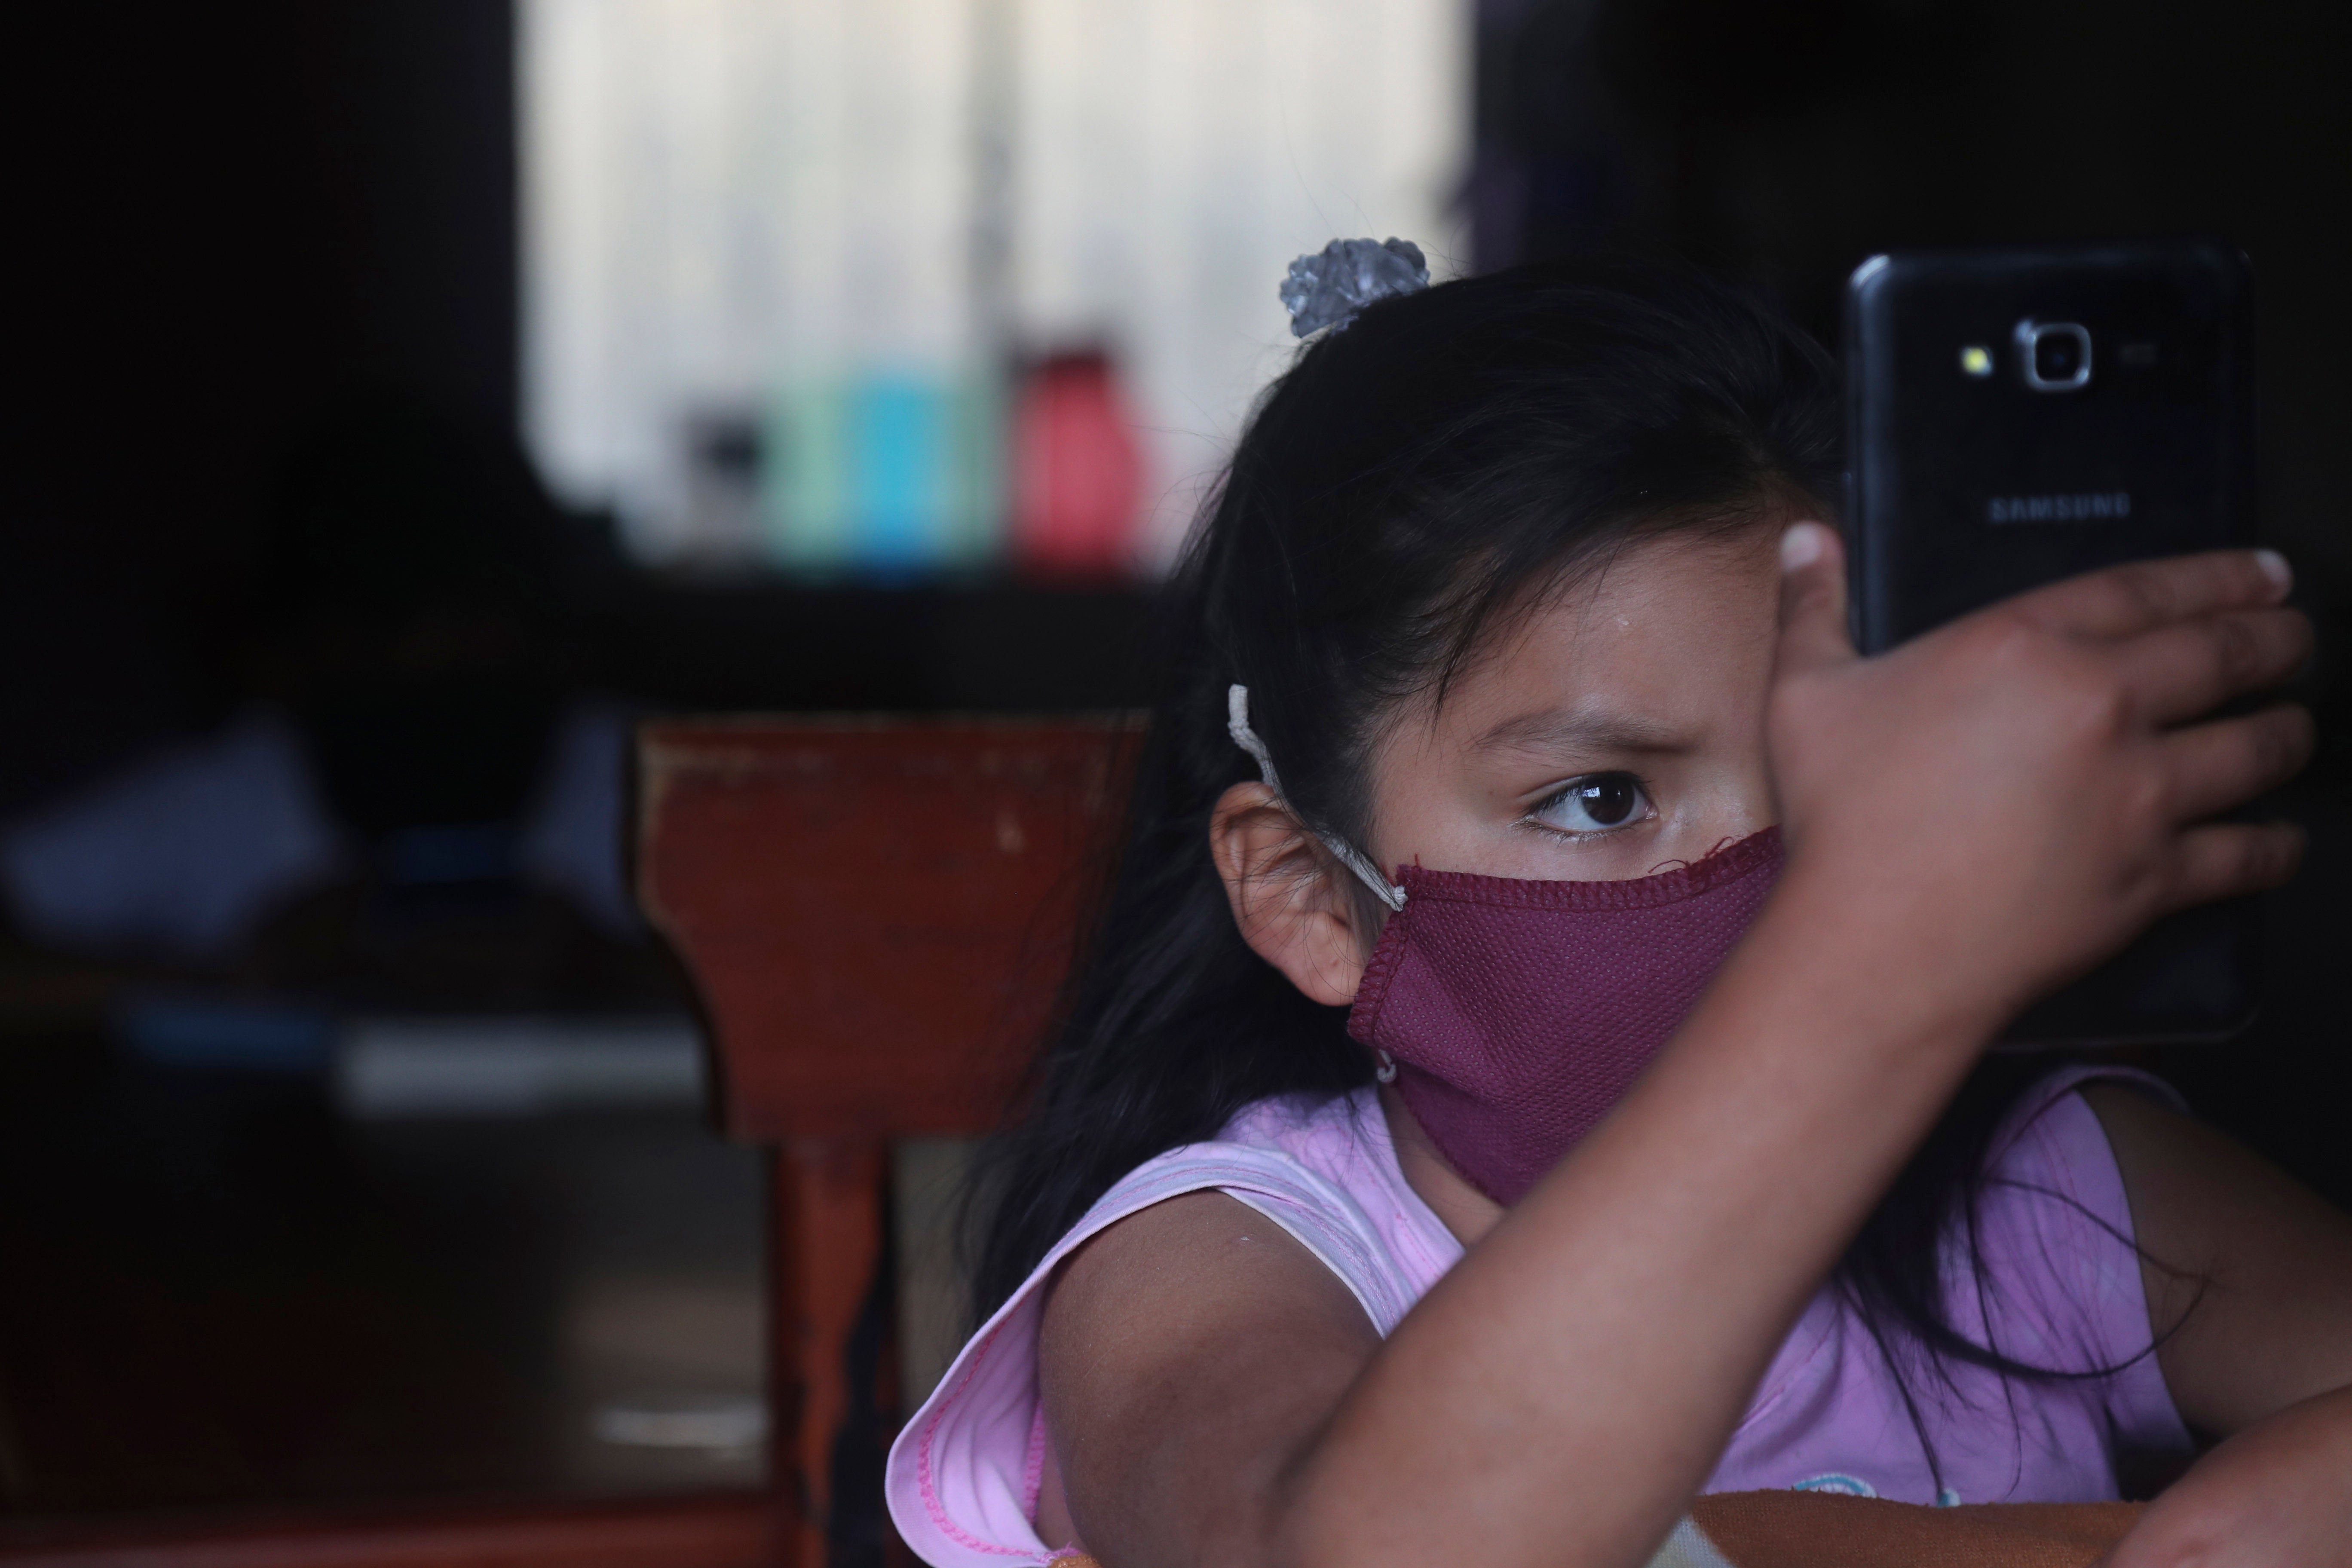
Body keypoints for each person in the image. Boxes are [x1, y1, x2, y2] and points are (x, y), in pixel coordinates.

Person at [884, 255, 2352, 1567]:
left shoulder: (2039, 1200)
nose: (1776, 884)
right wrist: (1876, 964)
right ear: (1309, 894)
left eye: (1825, 780)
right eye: (1600, 799)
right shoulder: (1230, 1256)